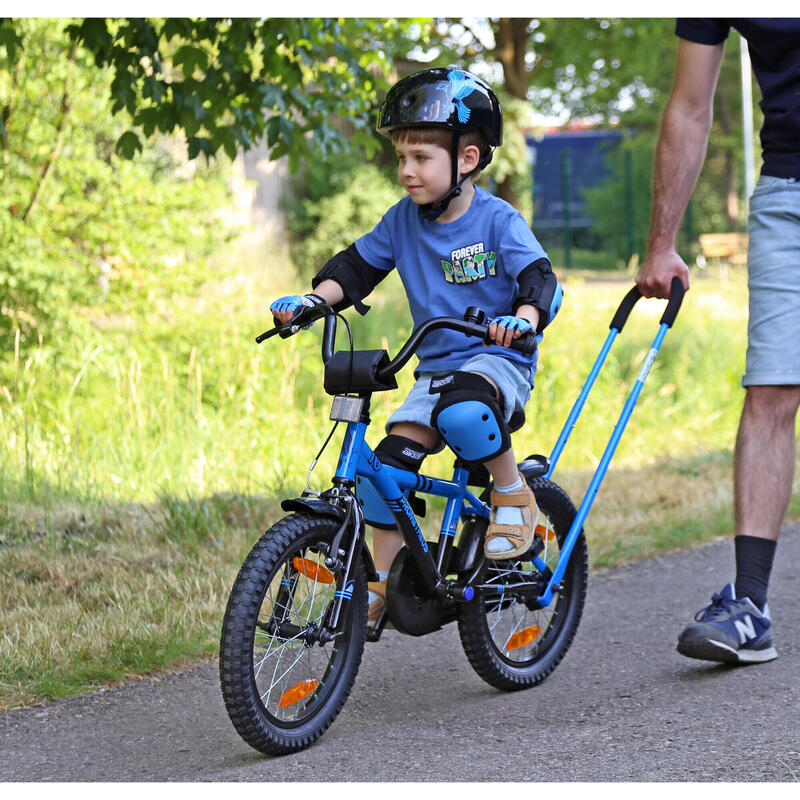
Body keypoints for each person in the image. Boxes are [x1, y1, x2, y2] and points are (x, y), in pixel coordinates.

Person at [270, 67, 561, 623]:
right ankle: (380, 585)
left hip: (497, 358)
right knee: (386, 470)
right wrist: (312, 303)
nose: (406, 171)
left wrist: (521, 319)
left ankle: (513, 496)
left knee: (465, 411)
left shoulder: (499, 221)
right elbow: (357, 268)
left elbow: (540, 279)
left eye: (421, 158)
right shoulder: (402, 222)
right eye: (401, 158)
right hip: (436, 369)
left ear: (467, 160)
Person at [636, 19, 800, 664]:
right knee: (770, 390)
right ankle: (749, 607)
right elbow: (689, 103)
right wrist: (660, 241)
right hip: (790, 193)